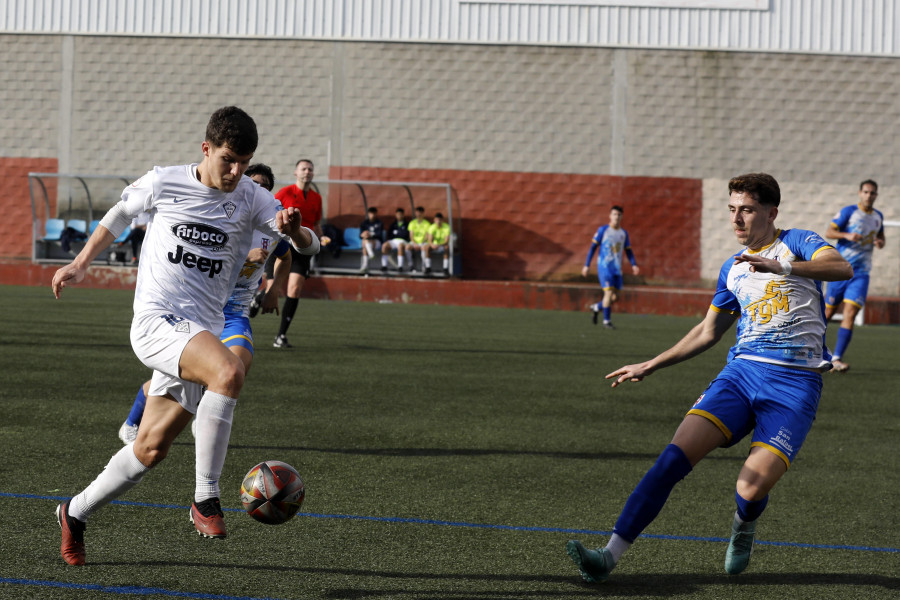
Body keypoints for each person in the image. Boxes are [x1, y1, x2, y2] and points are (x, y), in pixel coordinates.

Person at [51, 106, 319, 566]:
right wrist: (79, 262)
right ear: (207, 149)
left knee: (151, 449)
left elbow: (306, 243)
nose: (236, 172)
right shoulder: (163, 181)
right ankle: (205, 498)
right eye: (228, 160)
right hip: (156, 322)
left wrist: (297, 233)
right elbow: (119, 214)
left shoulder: (253, 198)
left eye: (245, 161)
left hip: (201, 330)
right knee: (230, 371)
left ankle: (74, 513)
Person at [566, 173, 852, 583]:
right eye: (732, 210)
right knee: (671, 460)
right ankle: (607, 557)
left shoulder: (798, 242)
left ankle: (744, 523)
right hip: (741, 374)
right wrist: (650, 364)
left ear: (772, 212)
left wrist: (781, 266)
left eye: (747, 210)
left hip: (795, 385)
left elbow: (839, 267)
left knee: (750, 489)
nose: (737, 219)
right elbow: (707, 332)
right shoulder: (732, 269)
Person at [118, 163, 292, 444]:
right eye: (254, 183)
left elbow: (286, 255)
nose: (257, 190)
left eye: (264, 188)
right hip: (200, 307)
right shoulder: (223, 217)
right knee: (177, 378)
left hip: (235, 310)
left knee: (234, 367)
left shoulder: (269, 225)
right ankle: (133, 422)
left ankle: (205, 420)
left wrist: (273, 291)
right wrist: (245, 256)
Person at [255, 158, 323, 349]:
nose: (307, 172)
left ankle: (281, 336)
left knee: (294, 290)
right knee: (272, 289)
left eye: (310, 169)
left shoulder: (317, 198)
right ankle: (256, 298)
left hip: (303, 246)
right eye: (303, 169)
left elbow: (316, 224)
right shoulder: (284, 193)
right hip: (282, 245)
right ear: (296, 173)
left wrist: (321, 237)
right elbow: (269, 215)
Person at [822, 179, 886, 373]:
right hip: (840, 269)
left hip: (861, 273)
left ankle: (837, 358)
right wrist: (847, 235)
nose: (869, 196)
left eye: (872, 193)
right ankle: (812, 351)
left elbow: (881, 237)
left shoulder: (878, 216)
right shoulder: (849, 212)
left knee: (850, 312)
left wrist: (880, 242)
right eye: (866, 192)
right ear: (860, 193)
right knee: (826, 314)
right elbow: (829, 231)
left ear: (876, 195)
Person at [581, 205, 639, 329]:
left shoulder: (623, 234)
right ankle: (606, 321)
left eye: (618, 215)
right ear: (609, 216)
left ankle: (596, 307)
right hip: (604, 267)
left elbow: (628, 251)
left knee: (615, 297)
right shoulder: (603, 230)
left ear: (622, 217)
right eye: (614, 214)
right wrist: (586, 265)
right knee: (608, 294)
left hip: (617, 269)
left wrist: (634, 264)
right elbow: (592, 248)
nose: (616, 217)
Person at [381, 207, 411, 273]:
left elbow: (406, 235)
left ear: (403, 215)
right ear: (396, 215)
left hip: (403, 241)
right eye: (398, 214)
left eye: (401, 214)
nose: (399, 216)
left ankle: (400, 266)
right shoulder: (393, 225)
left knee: (400, 246)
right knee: (384, 245)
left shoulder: (407, 224)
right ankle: (384, 266)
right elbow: (389, 235)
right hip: (394, 241)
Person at [359, 206, 384, 272]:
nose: (372, 215)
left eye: (373, 213)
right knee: (365, 245)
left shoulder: (379, 223)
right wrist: (363, 234)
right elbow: (360, 235)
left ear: (376, 214)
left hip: (377, 242)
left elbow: (379, 235)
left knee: (365, 242)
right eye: (370, 213)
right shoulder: (364, 223)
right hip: (367, 243)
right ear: (368, 214)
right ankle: (366, 264)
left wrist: (370, 235)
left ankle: (365, 265)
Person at [407, 206, 431, 274]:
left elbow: (427, 235)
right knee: (407, 247)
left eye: (420, 212)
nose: (419, 214)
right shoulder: (412, 223)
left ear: (423, 214)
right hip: (414, 242)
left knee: (424, 248)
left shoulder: (427, 223)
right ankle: (411, 265)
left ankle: (424, 266)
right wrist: (414, 244)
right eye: (417, 212)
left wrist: (422, 243)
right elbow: (411, 235)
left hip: (423, 242)